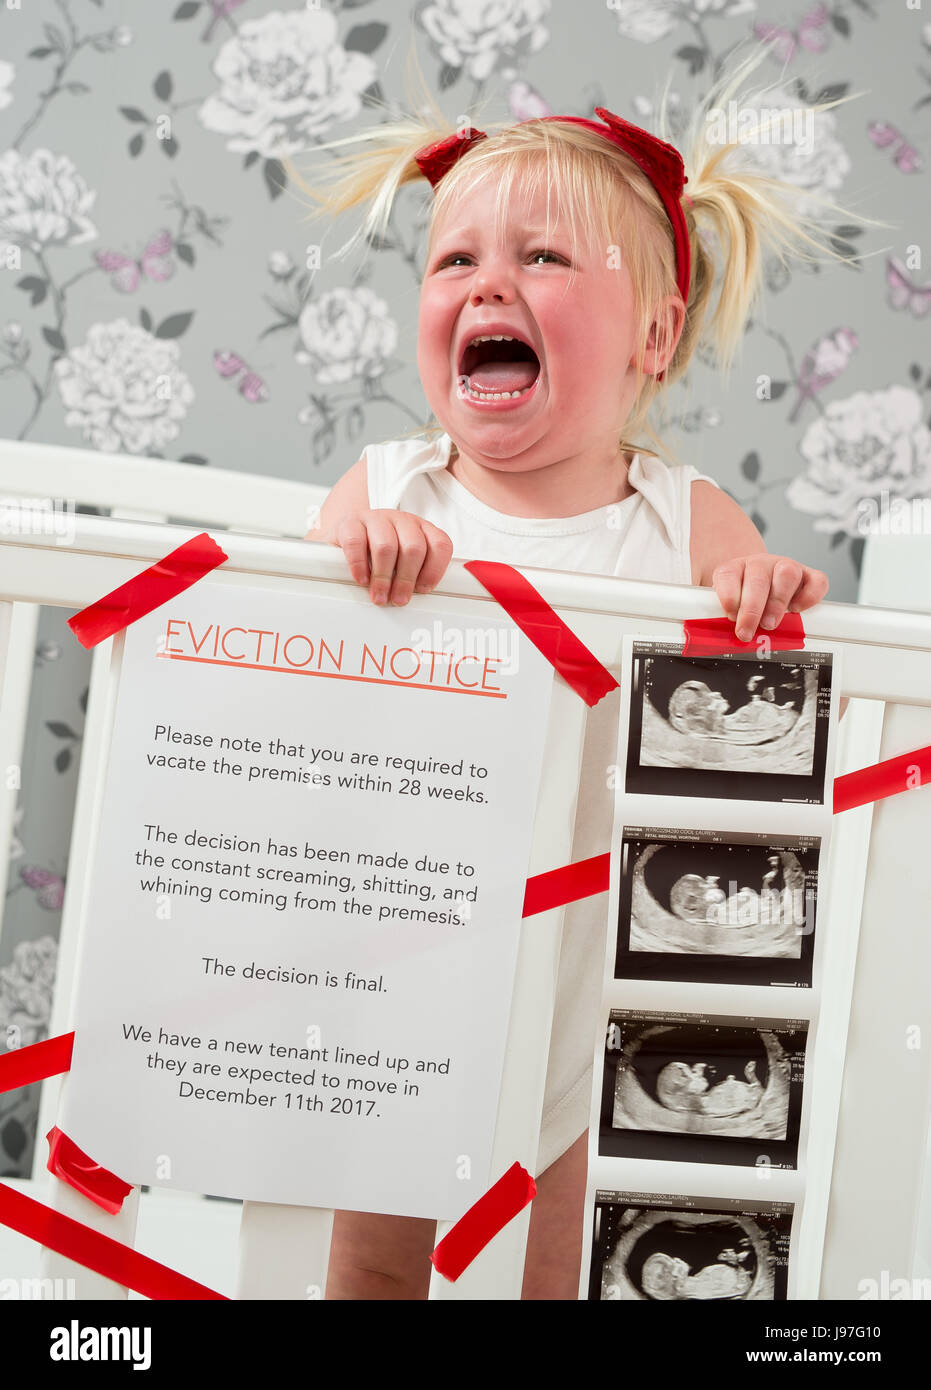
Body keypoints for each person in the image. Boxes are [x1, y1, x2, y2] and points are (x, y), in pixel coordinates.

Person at [294, 47, 855, 1299]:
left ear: (653, 334)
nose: (491, 279)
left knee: (570, 1258)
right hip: (407, 951)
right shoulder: (389, 494)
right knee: (376, 1254)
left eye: (543, 258)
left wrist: (760, 594)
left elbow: (752, 669)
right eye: (456, 261)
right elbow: (294, 671)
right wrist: (358, 560)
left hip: (601, 977)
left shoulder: (684, 518)